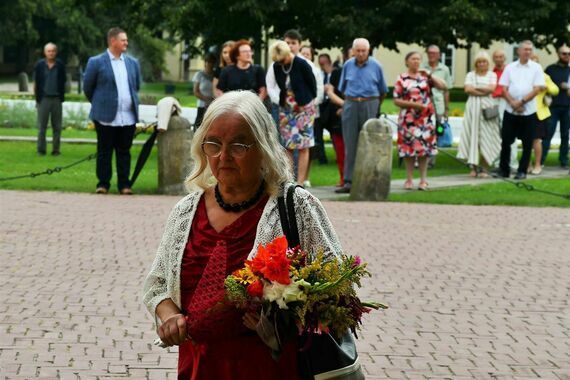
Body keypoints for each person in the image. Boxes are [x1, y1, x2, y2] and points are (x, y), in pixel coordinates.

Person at [142, 91, 342, 379]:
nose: (223, 156)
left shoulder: (296, 207)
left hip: (270, 369)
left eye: (238, 145)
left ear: (263, 147)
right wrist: (169, 316)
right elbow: (158, 284)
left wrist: (279, 317)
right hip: (199, 368)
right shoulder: (186, 211)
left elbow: (337, 292)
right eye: (214, 144)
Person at [83, 27, 141, 195]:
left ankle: (124, 185)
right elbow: (88, 87)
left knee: (124, 152)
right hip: (104, 116)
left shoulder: (132, 63)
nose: (126, 43)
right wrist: (100, 103)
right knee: (104, 152)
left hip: (128, 116)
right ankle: (103, 184)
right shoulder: (96, 62)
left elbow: (135, 86)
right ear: (113, 41)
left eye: (126, 40)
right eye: (123, 40)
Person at [335, 38, 388, 194]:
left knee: (370, 143)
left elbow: (383, 91)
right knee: (350, 143)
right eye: (357, 50)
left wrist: (376, 106)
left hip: (370, 102)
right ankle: (348, 181)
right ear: (353, 51)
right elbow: (342, 88)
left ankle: (370, 180)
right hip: (351, 103)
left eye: (363, 51)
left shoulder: (376, 66)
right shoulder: (347, 65)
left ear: (368, 51)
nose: (360, 53)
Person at [393, 51, 447, 190]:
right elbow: (396, 100)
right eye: (413, 59)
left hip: (425, 119)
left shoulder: (426, 78)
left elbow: (443, 86)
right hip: (408, 119)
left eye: (418, 59)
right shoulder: (401, 78)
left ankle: (423, 180)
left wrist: (429, 75)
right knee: (408, 149)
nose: (416, 61)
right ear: (407, 62)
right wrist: (413, 105)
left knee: (424, 149)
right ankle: (409, 179)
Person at [496, 40, 545, 180]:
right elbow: (503, 88)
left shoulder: (536, 67)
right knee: (506, 141)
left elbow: (537, 89)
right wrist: (513, 103)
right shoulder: (510, 68)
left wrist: (522, 102)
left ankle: (522, 171)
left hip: (528, 111)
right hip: (510, 110)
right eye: (525, 49)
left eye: (530, 49)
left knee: (527, 142)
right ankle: (504, 170)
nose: (528, 52)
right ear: (519, 51)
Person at [270, 41, 317, 186]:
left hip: (304, 109)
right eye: (279, 61)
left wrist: (304, 103)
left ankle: (301, 182)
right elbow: (279, 86)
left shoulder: (302, 64)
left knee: (303, 145)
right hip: (287, 110)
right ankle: (289, 181)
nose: (281, 63)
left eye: (283, 59)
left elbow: (313, 86)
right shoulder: (277, 66)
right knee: (288, 145)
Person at [457, 51, 501, 177]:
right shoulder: (471, 74)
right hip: (473, 108)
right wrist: (484, 91)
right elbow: (467, 89)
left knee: (487, 137)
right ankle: (473, 167)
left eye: (484, 62)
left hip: (488, 109)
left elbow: (492, 89)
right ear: (476, 63)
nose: (482, 64)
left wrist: (476, 89)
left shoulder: (492, 74)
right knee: (473, 137)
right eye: (479, 62)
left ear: (488, 63)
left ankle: (485, 167)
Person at [422, 45, 452, 168]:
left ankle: (431, 160)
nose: (432, 55)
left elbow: (446, 91)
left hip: (438, 107)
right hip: (423, 106)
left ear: (439, 55)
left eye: (434, 53)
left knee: (436, 133)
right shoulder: (421, 68)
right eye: (429, 53)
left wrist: (446, 110)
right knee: (423, 133)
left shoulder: (444, 69)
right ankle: (421, 158)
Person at [33, 42, 66, 156]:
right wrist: (37, 100)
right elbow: (36, 83)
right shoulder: (39, 65)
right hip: (43, 99)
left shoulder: (60, 65)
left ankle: (56, 150)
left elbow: (64, 82)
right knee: (42, 126)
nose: (51, 53)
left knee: (57, 126)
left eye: (53, 51)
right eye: (49, 51)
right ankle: (41, 150)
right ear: (45, 52)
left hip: (57, 99)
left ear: (55, 52)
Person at [529, 54, 559, 174]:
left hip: (538, 113)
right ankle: (527, 165)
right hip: (524, 112)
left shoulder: (544, 76)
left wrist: (545, 86)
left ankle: (537, 165)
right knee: (526, 140)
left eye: (536, 63)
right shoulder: (523, 76)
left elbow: (555, 90)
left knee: (536, 140)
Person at [319, 53, 346, 186]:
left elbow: (331, 92)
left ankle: (347, 178)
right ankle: (343, 178)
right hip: (336, 116)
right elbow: (332, 92)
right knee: (340, 148)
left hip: (344, 112)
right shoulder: (337, 74)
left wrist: (346, 107)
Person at [542, 45, 570, 169]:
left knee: (565, 135)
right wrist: (559, 85)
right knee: (548, 134)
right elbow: (543, 84)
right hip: (552, 107)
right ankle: (541, 160)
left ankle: (563, 161)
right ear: (558, 54)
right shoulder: (550, 69)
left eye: (569, 54)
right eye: (564, 53)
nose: (567, 56)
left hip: (568, 107)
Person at [492, 49, 518, 170]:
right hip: (493, 102)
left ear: (504, 58)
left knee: (509, 132)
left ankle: (512, 163)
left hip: (506, 101)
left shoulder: (510, 71)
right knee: (495, 134)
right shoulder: (491, 72)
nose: (498, 59)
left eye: (501, 56)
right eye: (496, 57)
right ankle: (498, 163)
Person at [192, 54, 216, 129]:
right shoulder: (199, 75)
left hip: (214, 104)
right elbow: (196, 91)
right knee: (199, 125)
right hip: (202, 104)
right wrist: (206, 99)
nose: (210, 64)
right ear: (205, 62)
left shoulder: (216, 75)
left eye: (212, 62)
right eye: (208, 62)